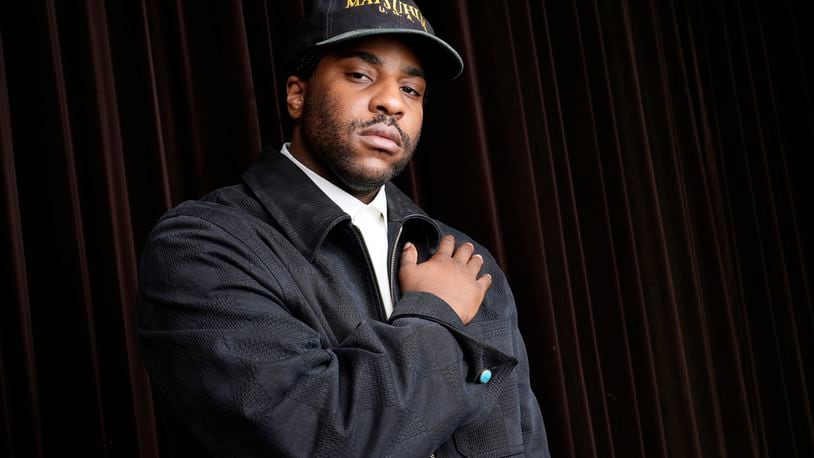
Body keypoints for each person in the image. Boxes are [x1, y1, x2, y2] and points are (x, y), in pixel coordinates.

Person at [137, 0, 550, 456]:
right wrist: (435, 313)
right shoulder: (203, 246)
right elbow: (320, 437)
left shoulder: (463, 259)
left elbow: (522, 442)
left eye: (411, 89)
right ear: (297, 94)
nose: (391, 102)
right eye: (360, 75)